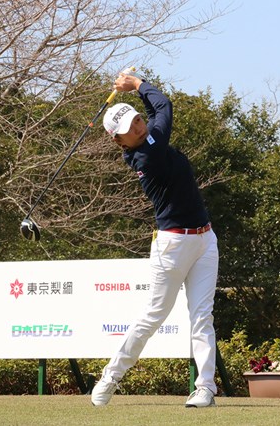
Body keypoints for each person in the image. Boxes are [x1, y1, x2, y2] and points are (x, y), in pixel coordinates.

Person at [91, 71, 219, 408]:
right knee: (154, 316)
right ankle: (110, 377)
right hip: (173, 245)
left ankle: (205, 388)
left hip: (205, 239)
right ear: (119, 142)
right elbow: (163, 107)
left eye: (135, 120)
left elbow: (157, 113)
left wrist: (136, 92)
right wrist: (136, 85)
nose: (137, 127)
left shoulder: (148, 140)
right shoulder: (147, 153)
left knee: (202, 317)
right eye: (128, 129)